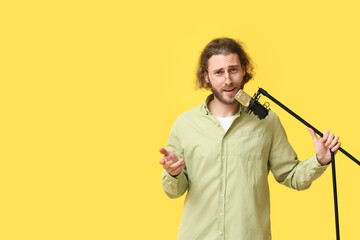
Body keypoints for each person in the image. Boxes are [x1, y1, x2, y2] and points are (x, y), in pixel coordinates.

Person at [159, 38, 341, 240]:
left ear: (244, 70)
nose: (228, 80)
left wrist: (320, 160)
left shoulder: (268, 122)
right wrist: (173, 174)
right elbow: (174, 191)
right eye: (218, 72)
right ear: (206, 77)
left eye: (233, 70)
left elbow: (290, 175)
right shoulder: (185, 124)